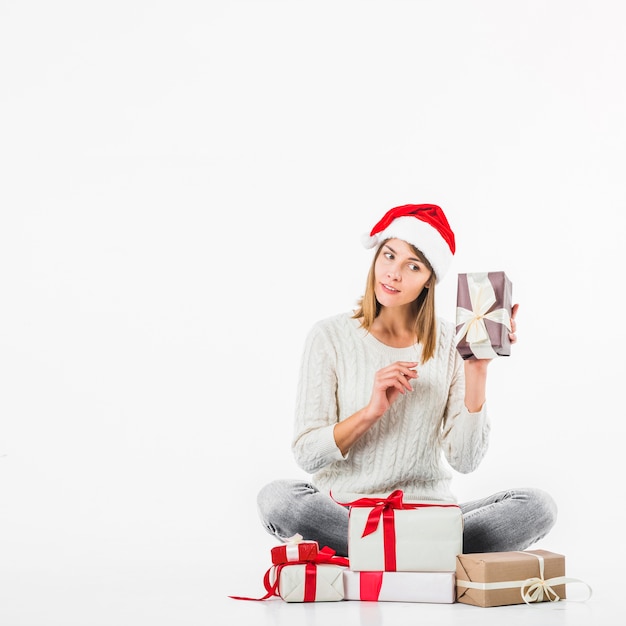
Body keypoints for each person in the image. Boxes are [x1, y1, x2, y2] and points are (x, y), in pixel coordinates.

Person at [257, 203, 557, 557]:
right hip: (347, 514)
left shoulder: (449, 343)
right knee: (278, 500)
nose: (393, 274)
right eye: (388, 256)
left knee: (538, 506)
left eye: (412, 265)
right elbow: (307, 454)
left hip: (429, 516)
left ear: (429, 278)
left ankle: (381, 552)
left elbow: (464, 461)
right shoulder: (329, 337)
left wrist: (476, 370)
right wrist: (370, 412)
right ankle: (423, 555)